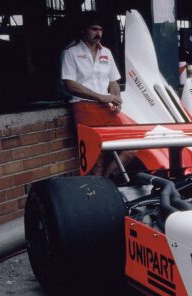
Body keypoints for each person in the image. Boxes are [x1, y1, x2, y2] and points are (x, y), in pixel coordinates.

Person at [61, 11, 130, 177]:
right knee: (95, 155)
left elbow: (113, 81)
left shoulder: (106, 52)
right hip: (83, 106)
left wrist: (117, 99)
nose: (98, 33)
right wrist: (100, 96)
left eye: (100, 29)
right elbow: (70, 84)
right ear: (83, 31)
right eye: (93, 29)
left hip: (106, 107)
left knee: (130, 148)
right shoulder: (70, 53)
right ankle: (98, 188)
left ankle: (106, 181)